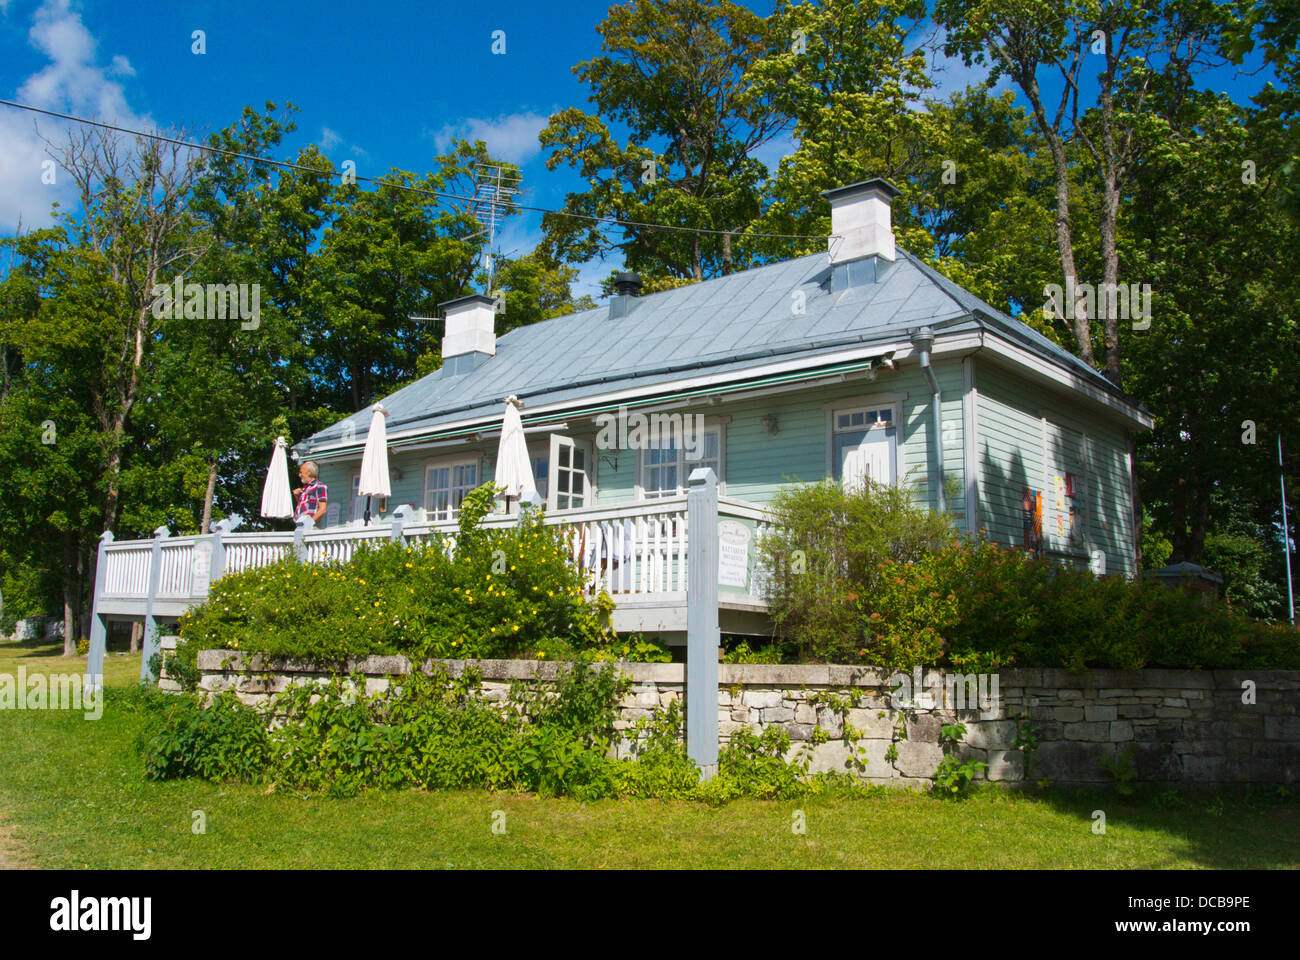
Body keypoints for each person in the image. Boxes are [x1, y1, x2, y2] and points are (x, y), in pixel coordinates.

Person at [292, 461, 329, 526]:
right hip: (300, 526)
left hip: (310, 527)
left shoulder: (319, 486)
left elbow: (323, 509)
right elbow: (304, 508)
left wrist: (309, 523)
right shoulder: (306, 489)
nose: (299, 475)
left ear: (309, 472)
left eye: (301, 472)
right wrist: (297, 496)